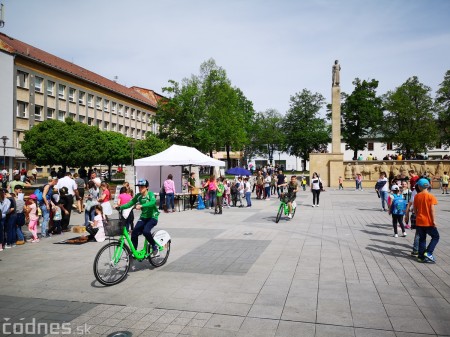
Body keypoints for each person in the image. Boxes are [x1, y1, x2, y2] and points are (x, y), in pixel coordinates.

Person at [118, 179, 160, 256]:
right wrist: (120, 207)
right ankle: (134, 251)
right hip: (143, 217)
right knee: (134, 232)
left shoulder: (150, 194)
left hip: (152, 217)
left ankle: (154, 246)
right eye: (139, 187)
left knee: (146, 231)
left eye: (142, 187)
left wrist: (142, 205)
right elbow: (129, 203)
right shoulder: (138, 196)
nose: (140, 188)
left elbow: (152, 202)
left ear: (147, 187)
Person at [414, 178, 439, 263]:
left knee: (422, 239)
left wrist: (418, 216)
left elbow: (415, 209)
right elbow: (432, 210)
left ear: (419, 187)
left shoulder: (417, 196)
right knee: (436, 237)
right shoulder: (431, 196)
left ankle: (421, 257)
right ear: (428, 186)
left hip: (419, 221)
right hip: (428, 222)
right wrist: (434, 220)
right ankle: (428, 252)